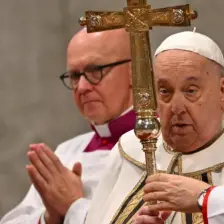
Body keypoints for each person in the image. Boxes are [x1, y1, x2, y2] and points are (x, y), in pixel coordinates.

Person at [70, 30, 224, 224]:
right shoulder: (130, 152)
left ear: (223, 90)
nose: (176, 107)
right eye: (165, 91)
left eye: (191, 91)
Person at [0, 28, 135, 224]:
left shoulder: (167, 147)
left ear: (135, 72)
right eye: (74, 75)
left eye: (95, 71)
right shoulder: (66, 152)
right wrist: (49, 218)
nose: (82, 87)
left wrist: (73, 205)